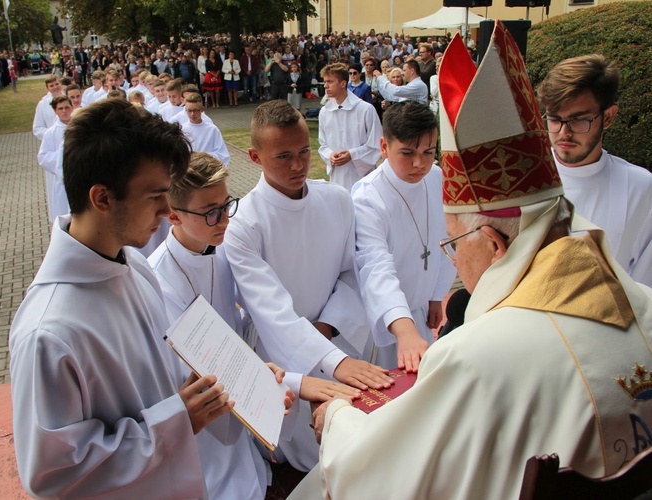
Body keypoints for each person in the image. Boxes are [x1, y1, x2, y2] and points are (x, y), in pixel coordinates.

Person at [295, 24, 652, 500]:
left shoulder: (477, 357)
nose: (457, 263)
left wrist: (338, 418)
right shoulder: (644, 306)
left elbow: (378, 472)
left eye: (454, 246)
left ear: (495, 245)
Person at [10, 98, 235, 498]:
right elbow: (53, 475)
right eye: (155, 196)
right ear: (102, 198)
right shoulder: (49, 333)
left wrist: (224, 383)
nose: (168, 210)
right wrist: (175, 420)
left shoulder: (134, 264)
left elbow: (158, 377)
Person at [148, 152, 356, 499]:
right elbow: (199, 365)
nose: (224, 220)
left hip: (237, 403)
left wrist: (271, 373)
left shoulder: (221, 251)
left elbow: (247, 320)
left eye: (226, 204)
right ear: (173, 215)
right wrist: (295, 382)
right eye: (210, 212)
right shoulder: (159, 282)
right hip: (199, 427)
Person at [224, 100, 392, 472]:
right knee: (302, 459)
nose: (298, 165)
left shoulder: (336, 200)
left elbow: (351, 274)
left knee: (359, 451)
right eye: (283, 156)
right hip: (283, 354)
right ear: (254, 156)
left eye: (303, 151)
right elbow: (271, 312)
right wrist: (332, 360)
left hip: (341, 334)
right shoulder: (243, 225)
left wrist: (329, 329)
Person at [352, 101, 456, 371]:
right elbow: (375, 266)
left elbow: (444, 240)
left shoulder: (437, 178)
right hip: (384, 319)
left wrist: (436, 294)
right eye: (407, 153)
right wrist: (404, 329)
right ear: (384, 147)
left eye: (428, 152)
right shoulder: (367, 197)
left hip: (420, 311)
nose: (419, 164)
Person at [538, 54, 652, 286]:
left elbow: (645, 288)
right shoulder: (523, 176)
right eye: (554, 119)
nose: (563, 132)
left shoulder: (639, 188)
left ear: (608, 117)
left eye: (578, 120)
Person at [318, 63, 382, 191]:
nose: (325, 86)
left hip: (361, 174)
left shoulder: (365, 109)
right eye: (325, 82)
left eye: (330, 82)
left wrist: (352, 154)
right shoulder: (325, 112)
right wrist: (330, 155)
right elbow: (323, 144)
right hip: (338, 174)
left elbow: (376, 144)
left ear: (343, 83)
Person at [37, 95, 72, 222]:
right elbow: (42, 157)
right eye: (60, 108)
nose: (64, 111)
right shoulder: (50, 133)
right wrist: (63, 155)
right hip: (62, 179)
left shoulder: (81, 127)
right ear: (55, 111)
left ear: (72, 107)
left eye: (67, 107)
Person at [180, 93, 230, 166]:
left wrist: (203, 156)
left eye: (196, 110)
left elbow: (222, 154)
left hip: (207, 169)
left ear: (202, 109)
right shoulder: (182, 130)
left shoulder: (212, 130)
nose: (192, 114)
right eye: (189, 110)